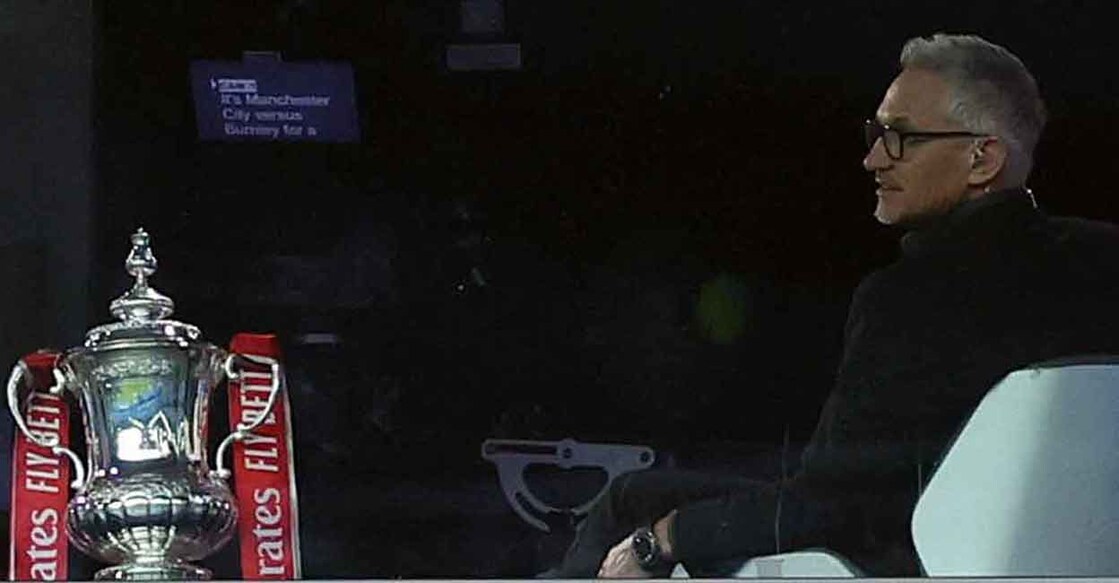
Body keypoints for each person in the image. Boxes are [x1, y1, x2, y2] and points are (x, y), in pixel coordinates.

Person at [543, 33, 1119, 578]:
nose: (873, 159)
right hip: (1057, 554)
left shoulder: (909, 296)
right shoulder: (1103, 260)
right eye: (876, 133)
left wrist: (663, 539)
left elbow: (827, 511)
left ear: (982, 159)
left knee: (635, 501)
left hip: (890, 557)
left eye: (901, 137)